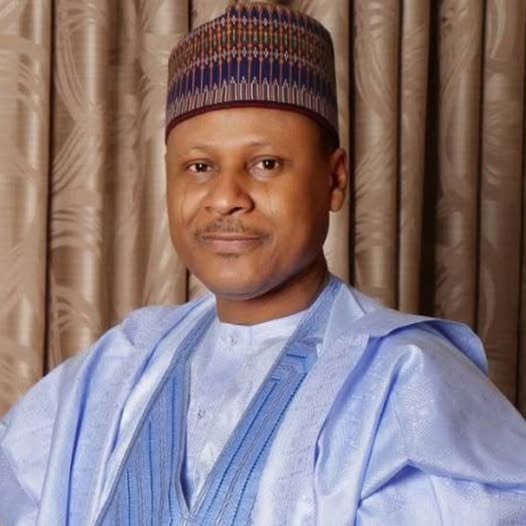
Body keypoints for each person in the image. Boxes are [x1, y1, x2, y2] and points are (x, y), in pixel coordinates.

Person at [1, 2, 526, 524]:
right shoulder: (122, 366)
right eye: (199, 167)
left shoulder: (405, 383)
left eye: (265, 164)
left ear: (335, 180)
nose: (226, 198)